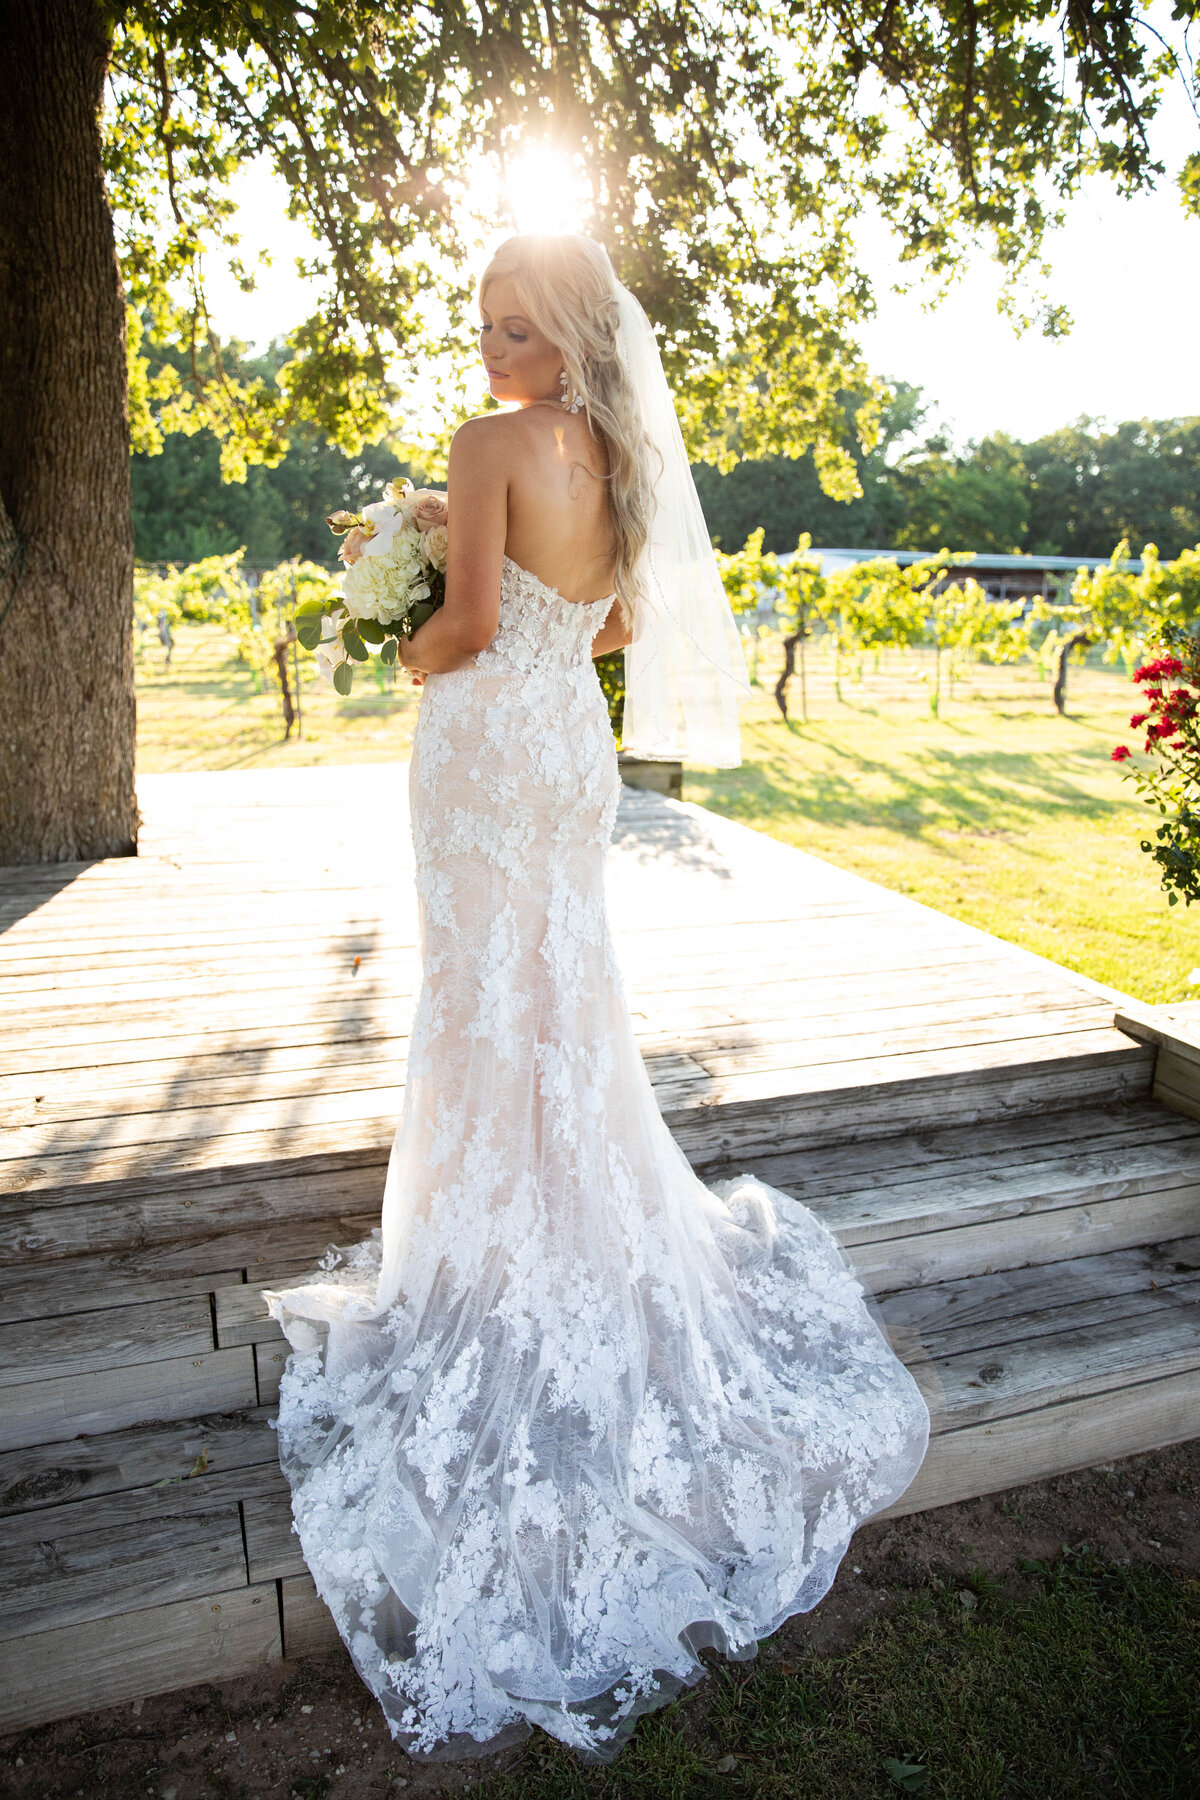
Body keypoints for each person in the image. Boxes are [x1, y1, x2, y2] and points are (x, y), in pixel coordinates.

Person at [265, 234, 929, 1764]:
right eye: (484, 327)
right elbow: (610, 623)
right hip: (574, 748)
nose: (493, 350)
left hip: (490, 744)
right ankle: (566, 1209)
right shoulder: (618, 453)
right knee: (556, 992)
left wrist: (394, 642)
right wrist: (463, 552)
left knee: (485, 996)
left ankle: (489, 1242)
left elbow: (474, 630)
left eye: (516, 328)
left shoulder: (490, 439)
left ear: (564, 335)